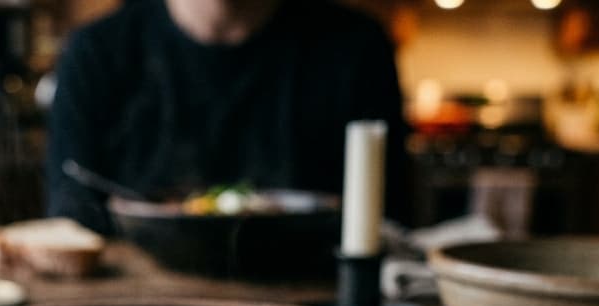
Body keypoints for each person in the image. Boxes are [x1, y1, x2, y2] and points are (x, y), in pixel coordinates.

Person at [45, 0, 412, 236]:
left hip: (322, 301)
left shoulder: (357, 48)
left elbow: (389, 214)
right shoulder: (95, 52)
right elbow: (72, 213)